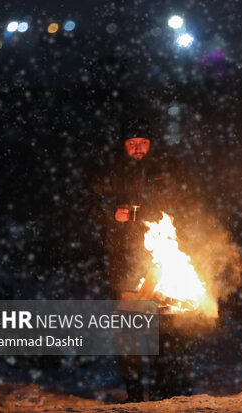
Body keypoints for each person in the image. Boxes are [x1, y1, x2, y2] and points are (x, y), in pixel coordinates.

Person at [84, 119, 172, 402]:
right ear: (123, 145)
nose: (138, 149)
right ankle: (135, 392)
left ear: (151, 144)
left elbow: (182, 202)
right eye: (132, 143)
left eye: (143, 143)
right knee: (128, 326)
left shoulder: (163, 169)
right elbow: (88, 202)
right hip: (122, 259)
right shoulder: (109, 171)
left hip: (158, 258)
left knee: (164, 323)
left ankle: (161, 392)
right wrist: (111, 213)